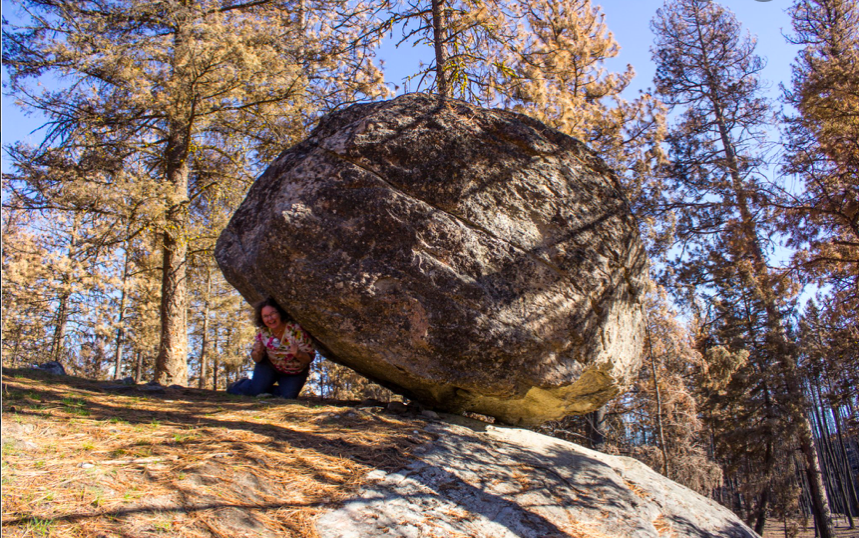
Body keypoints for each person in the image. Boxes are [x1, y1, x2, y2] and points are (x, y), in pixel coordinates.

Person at [227, 297, 315, 399]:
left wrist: (298, 354)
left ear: (280, 313)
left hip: (294, 372)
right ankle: (241, 386)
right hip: (270, 366)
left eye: (273, 314)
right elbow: (257, 359)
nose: (270, 319)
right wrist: (257, 352)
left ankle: (264, 390)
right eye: (265, 316)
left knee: (287, 397)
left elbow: (309, 358)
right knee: (254, 391)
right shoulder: (264, 331)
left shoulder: (295, 330)